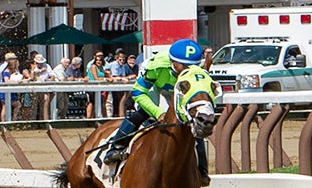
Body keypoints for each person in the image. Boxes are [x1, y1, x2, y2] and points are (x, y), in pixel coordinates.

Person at [92, 39, 218, 180]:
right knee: (143, 113)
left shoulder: (196, 71)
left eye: (192, 66)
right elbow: (138, 92)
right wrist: (158, 112)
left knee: (192, 122)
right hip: (158, 84)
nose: (188, 70)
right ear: (173, 63)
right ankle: (115, 148)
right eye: (184, 67)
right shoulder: (156, 66)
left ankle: (202, 170)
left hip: (179, 89)